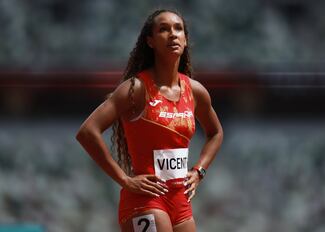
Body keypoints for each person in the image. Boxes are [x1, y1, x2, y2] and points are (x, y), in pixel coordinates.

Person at [76, 9, 223, 232]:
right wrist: (125, 180)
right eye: (163, 29)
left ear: (185, 40)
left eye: (178, 29)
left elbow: (215, 133)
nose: (172, 34)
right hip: (144, 200)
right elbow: (87, 132)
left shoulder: (195, 92)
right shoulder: (135, 90)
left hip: (180, 200)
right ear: (150, 41)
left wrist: (199, 170)